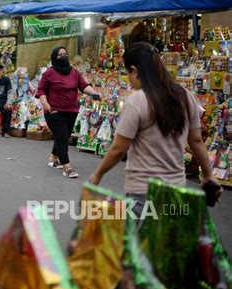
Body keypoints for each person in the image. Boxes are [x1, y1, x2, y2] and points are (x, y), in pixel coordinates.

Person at [89, 42, 222, 215]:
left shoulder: (137, 101)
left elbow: (119, 148)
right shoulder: (185, 96)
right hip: (176, 189)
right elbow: (196, 140)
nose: (129, 81)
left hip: (143, 192)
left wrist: (98, 174)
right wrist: (208, 175)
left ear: (135, 71)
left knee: (141, 241)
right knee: (167, 241)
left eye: (128, 74)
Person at [36, 47, 100, 178]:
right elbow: (41, 90)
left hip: (71, 111)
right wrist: (45, 103)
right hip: (54, 111)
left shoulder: (74, 72)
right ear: (54, 57)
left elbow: (83, 86)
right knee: (62, 138)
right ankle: (67, 167)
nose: (63, 57)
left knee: (63, 136)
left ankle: (53, 158)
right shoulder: (49, 73)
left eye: (65, 54)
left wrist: (94, 93)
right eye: (60, 55)